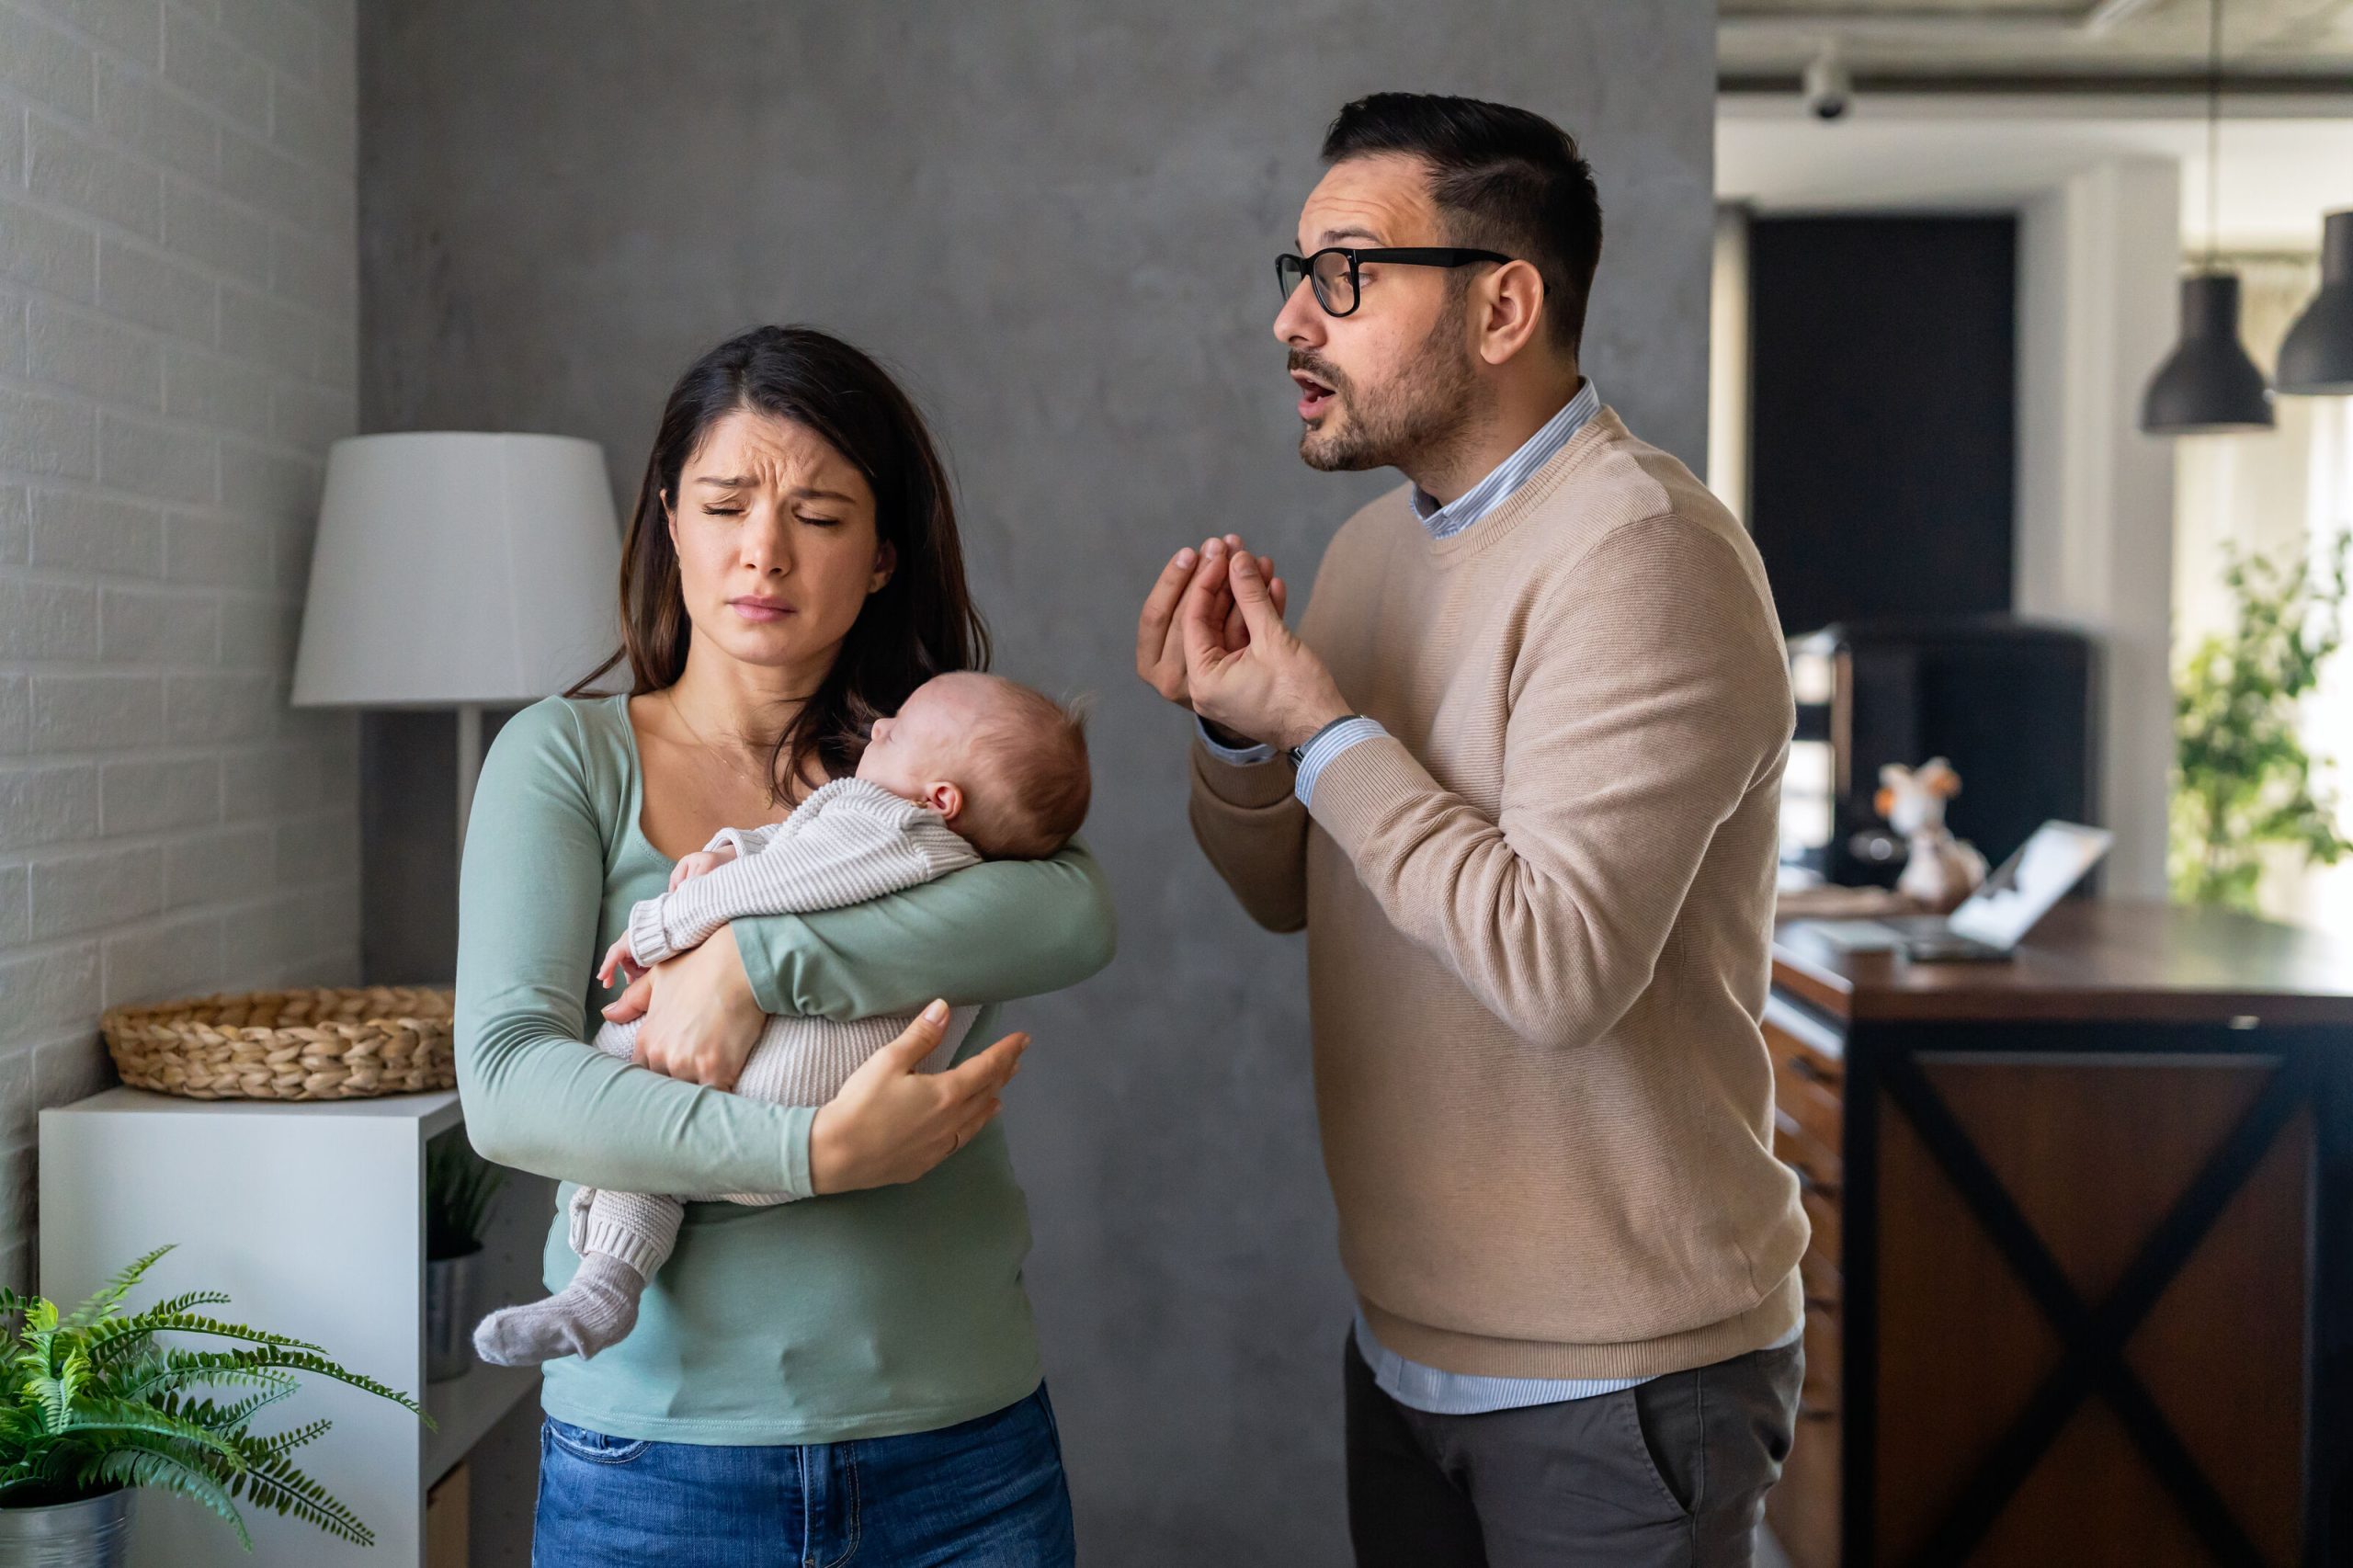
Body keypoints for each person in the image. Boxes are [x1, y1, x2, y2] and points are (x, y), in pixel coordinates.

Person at [1136, 93, 1805, 1566]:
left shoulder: (1642, 554)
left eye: (1347, 274)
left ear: (1504, 303)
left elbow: (1554, 966)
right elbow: (1300, 894)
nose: (1292, 323)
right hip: (1408, 1335)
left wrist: (1325, 729)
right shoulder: (1374, 545)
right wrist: (1243, 732)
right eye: (1296, 274)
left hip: (1619, 1370)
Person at [457, 324, 1113, 1566]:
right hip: (659, 1461)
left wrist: (752, 966)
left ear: (880, 557)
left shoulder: (931, 765)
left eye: (819, 514)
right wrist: (810, 1150)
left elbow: (1075, 916)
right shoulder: (565, 757)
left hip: (959, 1448)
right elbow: (506, 1079)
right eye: (724, 503)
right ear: (669, 519)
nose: (763, 551)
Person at [472, 671, 1092, 1368]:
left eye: (902, 730)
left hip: (807, 1091)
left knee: (624, 1064)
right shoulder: (941, 846)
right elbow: (800, 850)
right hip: (823, 1118)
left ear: (941, 798)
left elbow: (793, 879)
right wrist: (729, 851)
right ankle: (606, 1287)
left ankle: (608, 1278)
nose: (881, 726)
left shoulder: (903, 826)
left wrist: (663, 929)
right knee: (640, 1119)